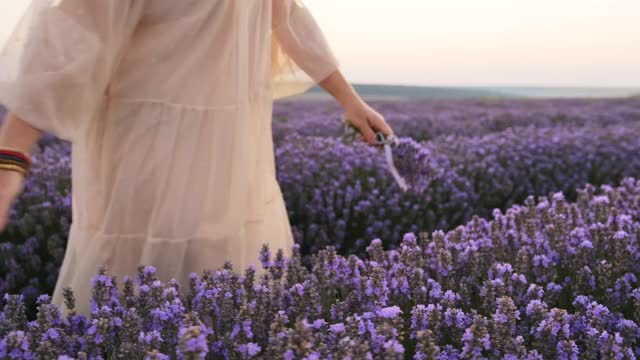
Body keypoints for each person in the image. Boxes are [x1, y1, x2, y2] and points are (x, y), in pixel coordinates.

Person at [0, 0, 394, 317]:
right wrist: (10, 159)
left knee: (225, 270)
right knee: (132, 278)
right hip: (144, 145)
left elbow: (286, 16)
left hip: (231, 144)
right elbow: (73, 34)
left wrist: (349, 99)